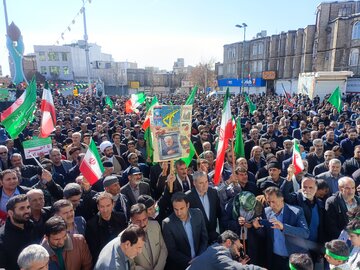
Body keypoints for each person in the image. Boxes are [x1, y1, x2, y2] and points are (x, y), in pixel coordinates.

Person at [252, 187, 310, 269]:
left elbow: (305, 233)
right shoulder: (266, 212)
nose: (271, 205)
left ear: (281, 199)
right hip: (275, 259)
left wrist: (283, 227)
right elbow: (264, 236)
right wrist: (257, 228)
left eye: (273, 201)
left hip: (294, 259)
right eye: (268, 202)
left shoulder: (296, 211)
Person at [162, 192, 208, 270]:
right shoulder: (167, 224)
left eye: (181, 208)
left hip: (200, 261)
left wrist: (199, 257)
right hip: (182, 266)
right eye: (176, 209)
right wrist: (190, 262)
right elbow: (172, 251)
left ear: (188, 205)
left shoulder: (198, 213)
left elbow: (204, 238)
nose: (179, 213)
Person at [187, 230, 265, 270]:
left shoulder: (213, 249)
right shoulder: (219, 254)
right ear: (228, 242)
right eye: (238, 249)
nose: (238, 254)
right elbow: (237, 269)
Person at [85, 192, 127, 263]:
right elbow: (94, 251)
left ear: (113, 205)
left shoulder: (121, 218)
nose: (105, 210)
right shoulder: (91, 225)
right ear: (98, 207)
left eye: (108, 205)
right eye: (102, 206)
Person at [0, 194, 37, 270]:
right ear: (10, 213)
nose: (27, 211)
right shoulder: (2, 238)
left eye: (28, 207)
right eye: (22, 208)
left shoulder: (33, 226)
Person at [185, 171, 221, 243]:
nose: (205, 185)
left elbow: (219, 213)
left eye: (206, 182)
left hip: (214, 236)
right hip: (199, 239)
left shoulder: (213, 192)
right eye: (201, 183)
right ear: (194, 183)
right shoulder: (188, 197)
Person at [130, 203, 168, 270]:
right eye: (138, 221)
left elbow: (163, 249)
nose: (142, 224)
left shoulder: (155, 225)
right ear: (132, 219)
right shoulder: (126, 236)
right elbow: (131, 264)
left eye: (144, 219)